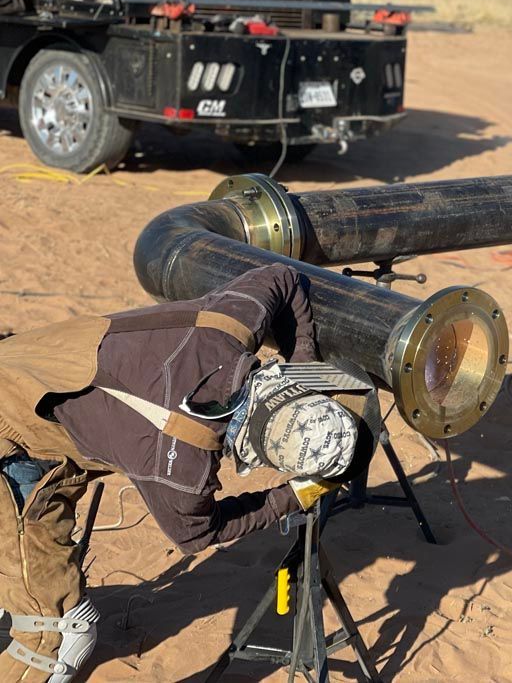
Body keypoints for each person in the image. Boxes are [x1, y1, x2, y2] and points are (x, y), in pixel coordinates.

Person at [0, 263, 362, 682]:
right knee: (54, 631)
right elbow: (196, 535)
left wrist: (302, 364)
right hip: (14, 429)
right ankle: (52, 618)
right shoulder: (180, 470)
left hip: (32, 358)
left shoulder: (226, 329)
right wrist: (293, 496)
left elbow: (281, 276)